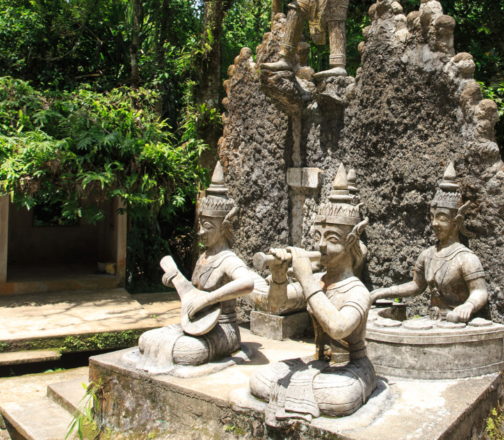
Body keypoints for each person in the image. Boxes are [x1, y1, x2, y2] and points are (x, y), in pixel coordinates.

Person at [249, 164, 376, 427]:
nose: (320, 245)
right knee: (262, 379)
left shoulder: (358, 291)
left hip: (352, 366)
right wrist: (281, 277)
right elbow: (278, 305)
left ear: (351, 242)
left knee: (337, 397)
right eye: (318, 236)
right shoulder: (319, 282)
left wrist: (306, 278)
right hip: (320, 365)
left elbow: (338, 327)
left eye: (330, 238)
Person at [134, 164, 265, 372]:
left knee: (187, 352)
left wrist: (208, 299)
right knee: (146, 340)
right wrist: (176, 282)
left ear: (224, 227)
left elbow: (247, 283)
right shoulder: (203, 256)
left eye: (208, 227)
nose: (201, 232)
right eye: (201, 225)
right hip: (197, 324)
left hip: (223, 329)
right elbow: (192, 294)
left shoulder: (227, 259)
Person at [369, 162, 489, 323]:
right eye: (432, 217)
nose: (434, 224)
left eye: (442, 218)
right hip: (432, 320)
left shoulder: (466, 258)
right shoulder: (428, 255)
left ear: (457, 220)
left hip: (456, 322)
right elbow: (416, 286)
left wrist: (468, 306)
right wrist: (383, 292)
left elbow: (480, 291)